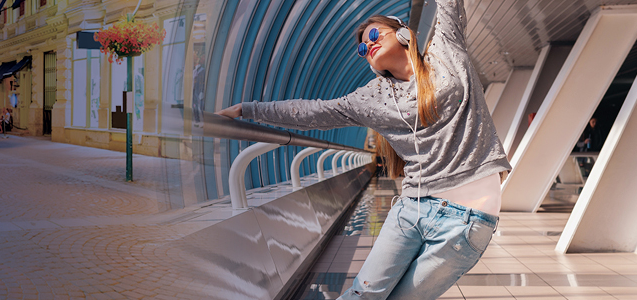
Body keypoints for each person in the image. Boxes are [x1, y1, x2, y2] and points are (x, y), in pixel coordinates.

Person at [216, 1, 510, 299]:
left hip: (468, 218)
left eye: (374, 35)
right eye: (362, 49)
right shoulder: (371, 97)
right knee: (363, 295)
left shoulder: (446, 50)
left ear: (404, 34)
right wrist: (247, 109)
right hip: (412, 208)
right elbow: (314, 112)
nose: (368, 46)